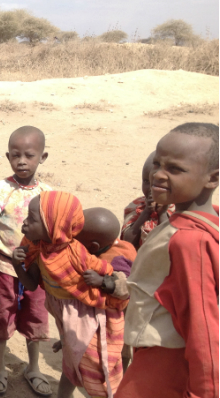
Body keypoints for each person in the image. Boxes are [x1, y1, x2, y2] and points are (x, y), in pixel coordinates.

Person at [118, 123, 219, 398]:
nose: (158, 175)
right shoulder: (207, 220)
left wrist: (203, 393)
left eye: (175, 169)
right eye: (157, 164)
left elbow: (203, 326)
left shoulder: (188, 241)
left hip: (167, 365)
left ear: (212, 179)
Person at [13, 192, 127, 398]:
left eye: (32, 218)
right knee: (71, 362)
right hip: (65, 315)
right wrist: (16, 264)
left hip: (87, 316)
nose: (25, 222)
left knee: (94, 366)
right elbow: (30, 284)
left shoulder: (75, 254)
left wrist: (102, 281)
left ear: (53, 225)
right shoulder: (36, 248)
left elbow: (110, 275)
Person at [0, 126, 52, 396]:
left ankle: (33, 368)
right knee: (1, 317)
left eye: (29, 155)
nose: (21, 161)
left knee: (36, 318)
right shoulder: (0, 190)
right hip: (4, 268)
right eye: (15, 155)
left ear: (42, 158)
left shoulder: (48, 194)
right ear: (8, 156)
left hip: (37, 272)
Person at [75, 207, 136, 372]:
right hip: (112, 314)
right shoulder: (111, 244)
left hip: (123, 315)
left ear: (94, 246)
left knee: (119, 353)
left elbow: (127, 286)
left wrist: (103, 281)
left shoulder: (116, 258)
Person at [121, 151, 174, 248]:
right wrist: (145, 212)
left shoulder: (179, 209)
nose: (151, 188)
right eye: (146, 181)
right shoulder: (136, 206)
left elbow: (172, 242)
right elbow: (127, 242)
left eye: (158, 183)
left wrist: (162, 214)